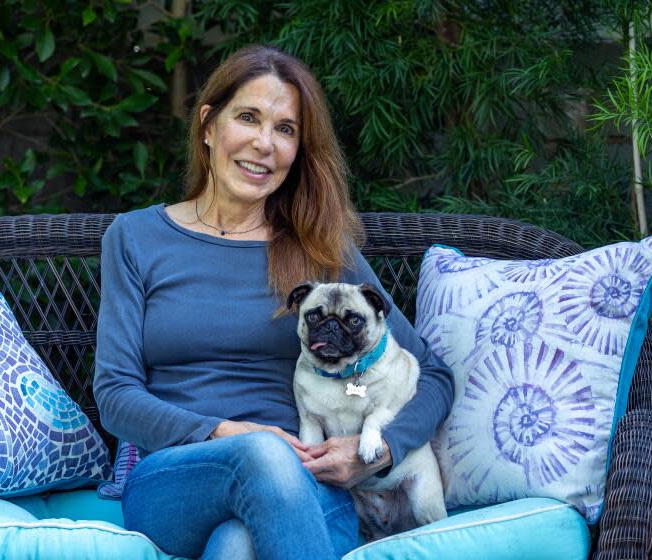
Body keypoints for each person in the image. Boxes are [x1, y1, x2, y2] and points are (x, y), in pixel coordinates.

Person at [93, 44, 454, 560]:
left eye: (285, 129)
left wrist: (377, 450)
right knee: (260, 454)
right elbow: (114, 394)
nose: (265, 143)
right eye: (248, 118)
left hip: (306, 485)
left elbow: (433, 375)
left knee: (238, 546)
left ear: (299, 149)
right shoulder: (134, 238)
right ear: (208, 125)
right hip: (174, 482)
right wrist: (225, 431)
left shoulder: (321, 249)